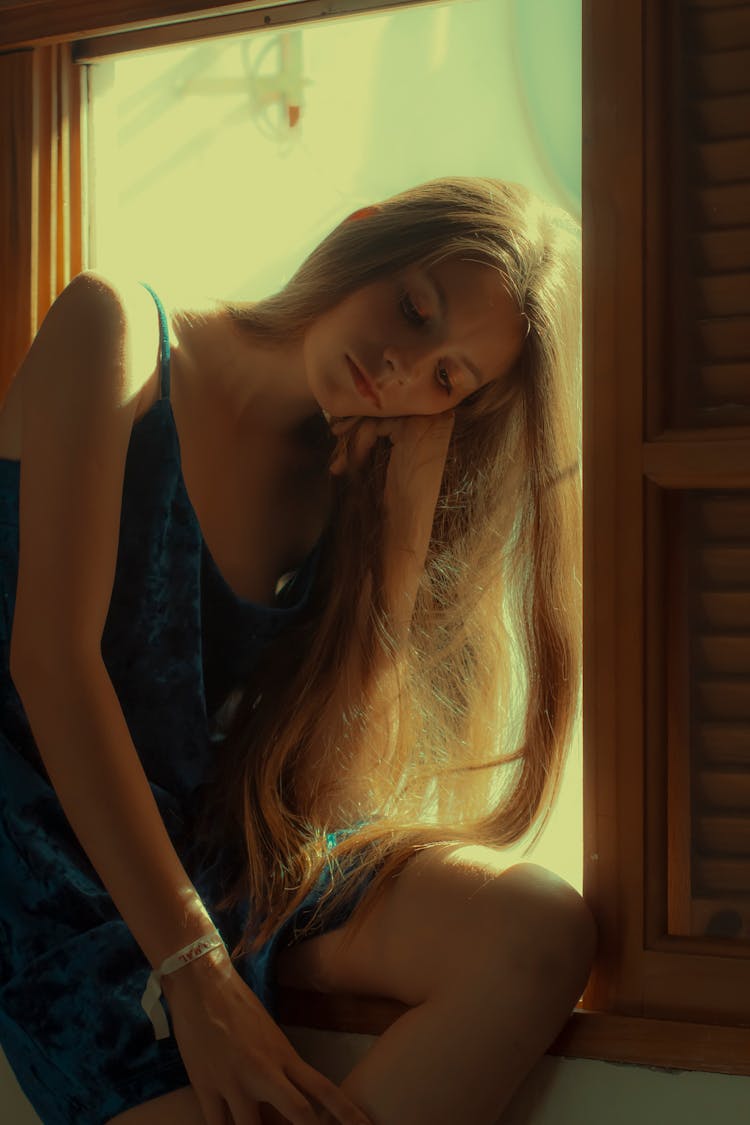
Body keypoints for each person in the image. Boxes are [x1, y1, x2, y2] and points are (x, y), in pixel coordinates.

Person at [0, 176, 595, 1125]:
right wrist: (197, 972)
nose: (402, 367)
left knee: (538, 928)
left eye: (447, 376)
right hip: (56, 857)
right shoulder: (115, 332)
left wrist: (394, 537)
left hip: (228, 854)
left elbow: (324, 787)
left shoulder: (349, 474)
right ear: (361, 234)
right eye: (413, 307)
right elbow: (50, 665)